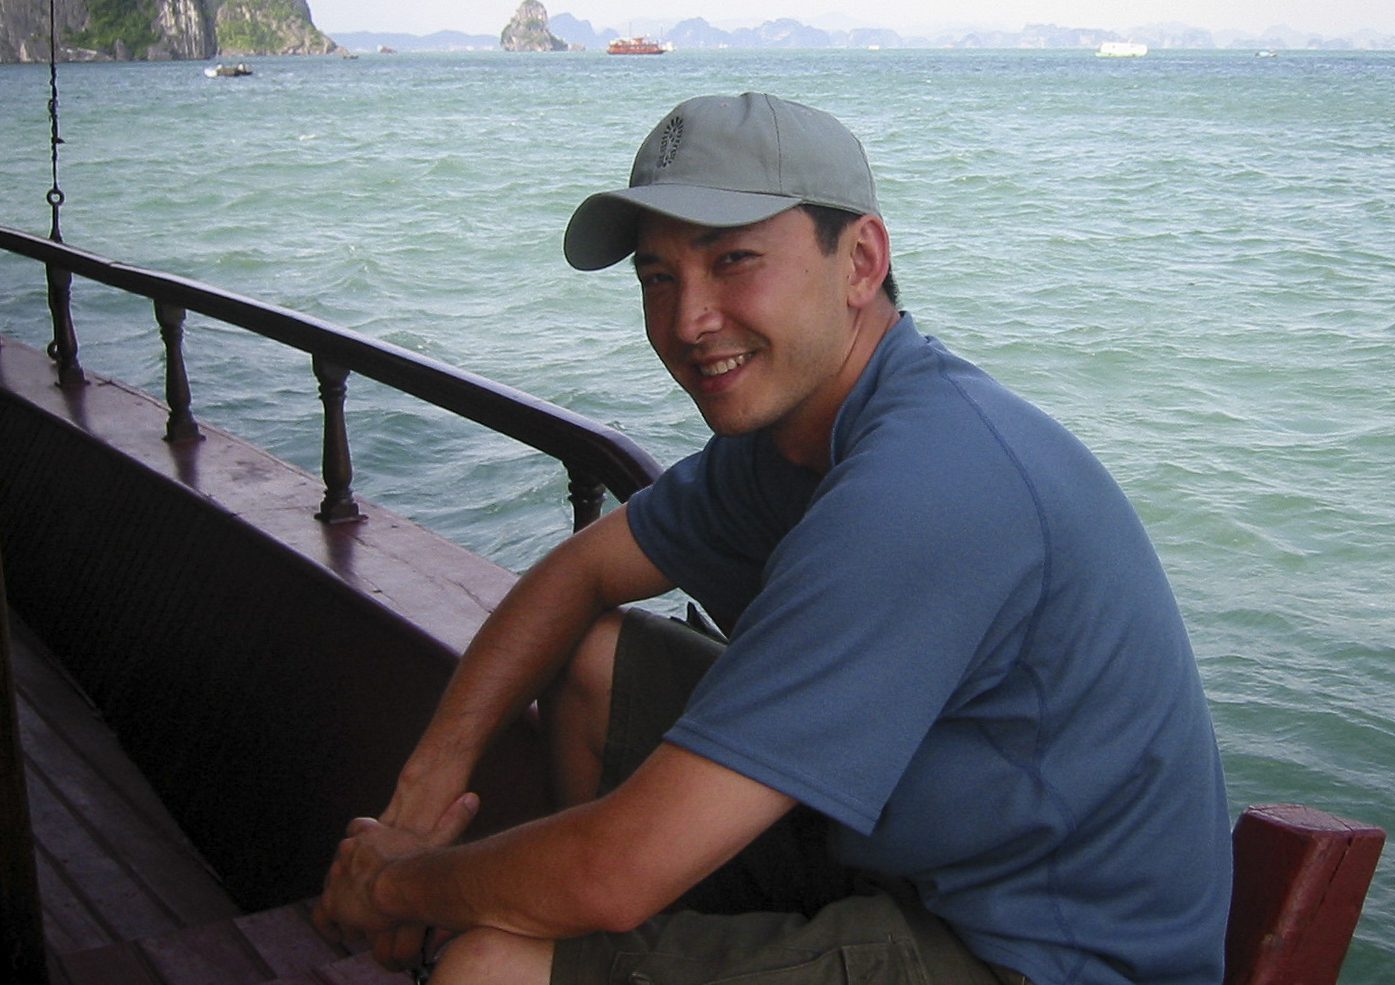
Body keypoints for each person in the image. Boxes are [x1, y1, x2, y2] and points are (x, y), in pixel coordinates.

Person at [313, 91, 1233, 985]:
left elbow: (611, 872)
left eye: (734, 260)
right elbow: (582, 573)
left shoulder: (923, 487)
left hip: (1034, 954)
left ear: (860, 260)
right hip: (906, 856)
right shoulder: (794, 438)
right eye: (657, 276)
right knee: (594, 663)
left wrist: (393, 885)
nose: (686, 321)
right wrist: (427, 791)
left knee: (490, 968)